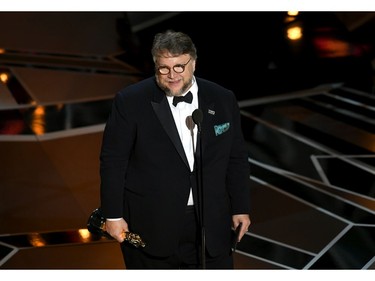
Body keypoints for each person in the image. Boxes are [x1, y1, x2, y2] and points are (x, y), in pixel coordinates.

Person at [99, 29, 251, 269]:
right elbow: (113, 161)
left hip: (212, 223)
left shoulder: (222, 98)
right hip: (151, 224)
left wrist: (240, 206)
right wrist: (113, 216)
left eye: (179, 66)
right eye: (164, 68)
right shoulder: (130, 101)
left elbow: (236, 158)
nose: (172, 75)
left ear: (194, 63)